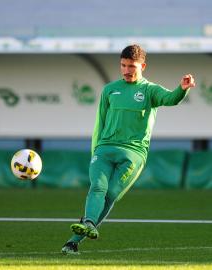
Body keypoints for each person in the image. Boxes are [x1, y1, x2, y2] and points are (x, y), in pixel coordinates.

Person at [61, 44, 195, 254]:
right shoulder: (109, 90)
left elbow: (171, 99)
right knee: (97, 187)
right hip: (104, 150)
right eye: (123, 65)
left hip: (133, 154)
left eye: (131, 66)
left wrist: (182, 89)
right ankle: (84, 229)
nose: (126, 70)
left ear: (143, 66)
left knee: (110, 195)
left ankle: (76, 238)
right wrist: (95, 151)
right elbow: (100, 122)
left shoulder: (150, 90)